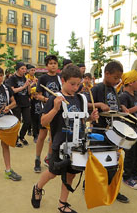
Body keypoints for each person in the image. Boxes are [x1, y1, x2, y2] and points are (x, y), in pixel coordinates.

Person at [31, 64, 99, 213]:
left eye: (78, 84)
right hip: (59, 143)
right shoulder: (54, 99)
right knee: (52, 173)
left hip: (77, 144)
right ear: (63, 80)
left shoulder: (80, 99)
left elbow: (81, 121)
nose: (75, 87)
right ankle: (37, 188)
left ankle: (63, 204)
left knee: (70, 175)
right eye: (72, 84)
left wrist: (90, 118)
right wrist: (55, 109)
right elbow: (43, 122)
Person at [87, 60, 129, 203]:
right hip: (99, 131)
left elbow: (114, 106)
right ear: (107, 74)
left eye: (119, 79)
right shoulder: (97, 89)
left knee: (114, 162)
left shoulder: (114, 90)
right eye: (115, 78)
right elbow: (85, 104)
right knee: (97, 162)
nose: (117, 81)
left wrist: (121, 107)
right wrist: (98, 105)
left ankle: (112, 189)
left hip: (114, 131)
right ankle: (90, 185)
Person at [34, 55, 62, 172]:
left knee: (53, 136)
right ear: (46, 66)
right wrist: (48, 100)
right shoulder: (43, 78)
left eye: (55, 63)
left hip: (57, 110)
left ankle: (49, 157)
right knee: (42, 136)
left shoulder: (60, 78)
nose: (53, 65)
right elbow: (37, 95)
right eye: (50, 63)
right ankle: (37, 159)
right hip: (46, 110)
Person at [5, 62, 35, 147]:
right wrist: (24, 86)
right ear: (18, 69)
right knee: (16, 122)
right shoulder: (12, 79)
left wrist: (29, 85)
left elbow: (28, 92)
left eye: (25, 69)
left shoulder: (25, 78)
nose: (24, 70)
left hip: (25, 102)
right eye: (22, 69)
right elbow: (12, 91)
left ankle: (22, 136)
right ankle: (15, 139)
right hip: (16, 103)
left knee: (28, 121)